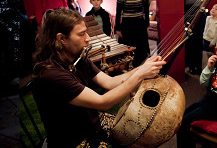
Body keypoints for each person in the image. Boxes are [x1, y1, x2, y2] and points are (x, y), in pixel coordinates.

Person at [32, 8, 165, 148]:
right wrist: (140, 74)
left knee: (138, 133)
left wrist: (143, 66)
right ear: (62, 39)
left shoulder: (77, 56)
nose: (88, 38)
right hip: (72, 140)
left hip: (90, 125)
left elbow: (109, 82)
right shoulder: (51, 74)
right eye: (81, 34)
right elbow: (103, 102)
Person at [115, 0, 150, 67]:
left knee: (142, 51)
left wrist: (147, 26)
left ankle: (141, 71)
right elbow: (118, 12)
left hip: (139, 24)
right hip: (127, 25)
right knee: (129, 51)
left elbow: (146, 11)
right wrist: (117, 29)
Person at [184, 0, 206, 74]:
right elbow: (184, 2)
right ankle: (191, 66)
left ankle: (198, 66)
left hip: (200, 15)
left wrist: (190, 0)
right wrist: (198, 0)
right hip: (188, 16)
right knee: (190, 41)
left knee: (199, 42)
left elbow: (205, 0)